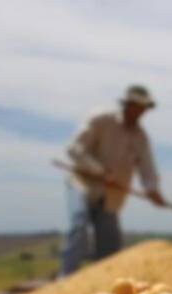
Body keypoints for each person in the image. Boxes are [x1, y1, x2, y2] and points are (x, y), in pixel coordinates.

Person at [60, 84, 166, 276]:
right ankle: (66, 278)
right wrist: (99, 171)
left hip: (112, 193)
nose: (140, 112)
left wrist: (153, 190)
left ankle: (104, 283)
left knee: (109, 242)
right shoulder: (101, 120)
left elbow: (147, 168)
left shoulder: (140, 138)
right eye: (136, 106)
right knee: (80, 224)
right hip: (83, 183)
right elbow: (75, 149)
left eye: (143, 108)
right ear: (127, 104)